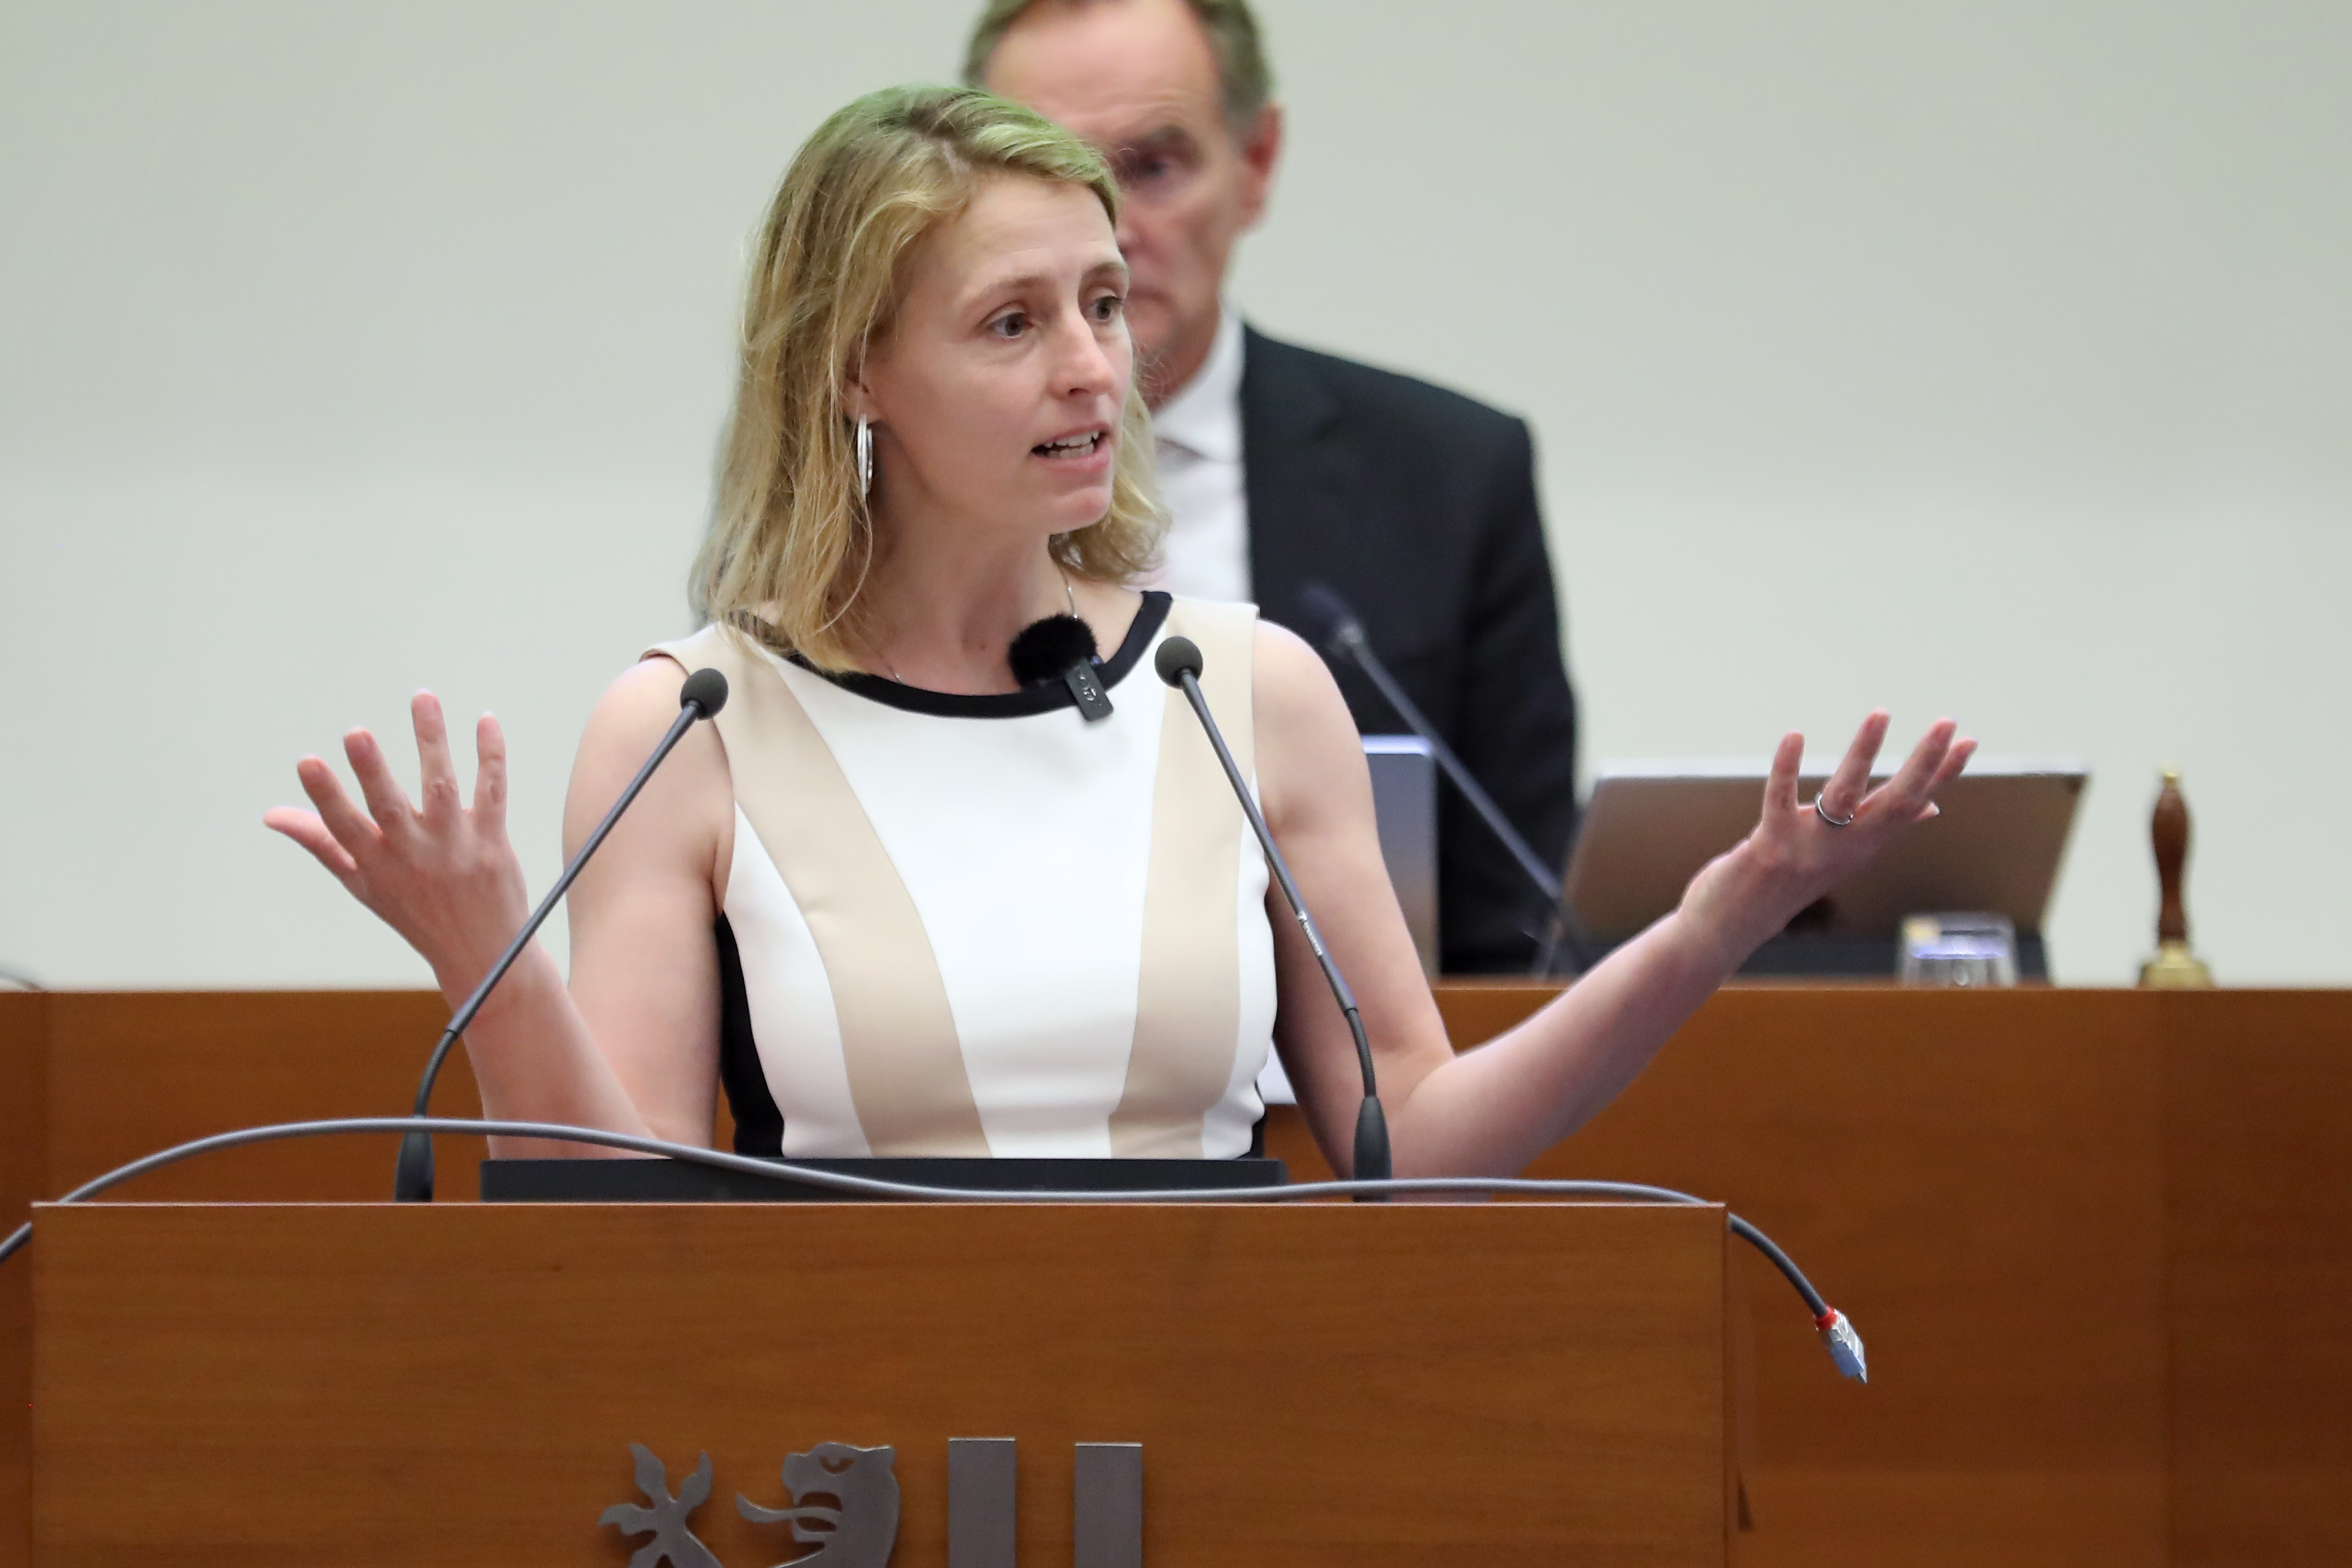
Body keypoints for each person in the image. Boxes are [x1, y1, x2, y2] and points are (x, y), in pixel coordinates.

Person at [264, 87, 1972, 1176]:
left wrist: (1706, 930)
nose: (1096, 366)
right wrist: (482, 948)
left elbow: (1422, 1147)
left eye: (1099, 303)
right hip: (837, 1418)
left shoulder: (1241, 691)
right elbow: (616, 1201)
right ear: (855, 373)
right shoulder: (696, 722)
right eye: (1012, 323)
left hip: (1226, 1393)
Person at [969, 0, 1581, 974]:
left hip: (1361, 1093)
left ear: (1256, 163)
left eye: (1154, 166)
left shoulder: (1450, 476)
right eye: (1048, 174)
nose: (1111, 229)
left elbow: (1512, 923)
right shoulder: (873, 479)